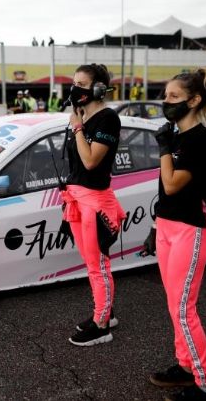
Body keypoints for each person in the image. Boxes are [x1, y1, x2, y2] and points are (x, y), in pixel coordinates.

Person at [142, 68, 206, 401]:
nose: (167, 102)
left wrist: (163, 149)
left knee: (184, 308)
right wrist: (156, 226)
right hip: (169, 227)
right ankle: (185, 367)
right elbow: (164, 192)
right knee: (174, 305)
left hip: (193, 229)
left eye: (174, 97)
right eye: (166, 95)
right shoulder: (175, 136)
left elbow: (173, 184)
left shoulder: (201, 139)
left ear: (194, 100)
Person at [63, 63, 125, 347]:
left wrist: (77, 127)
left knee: (98, 265)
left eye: (82, 83)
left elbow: (90, 161)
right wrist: (77, 121)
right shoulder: (82, 115)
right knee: (92, 263)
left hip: (95, 202)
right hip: (76, 198)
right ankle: (105, 311)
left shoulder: (107, 119)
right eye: (74, 82)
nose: (75, 88)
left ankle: (102, 326)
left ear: (98, 88)